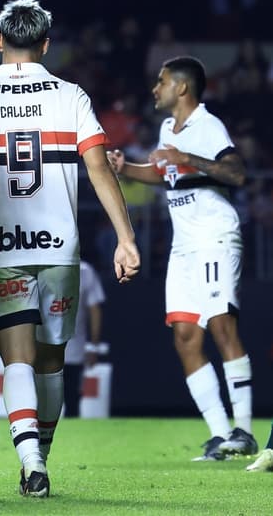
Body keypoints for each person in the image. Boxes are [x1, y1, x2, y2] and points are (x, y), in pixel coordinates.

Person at [0, 0, 140, 498]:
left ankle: (30, 461)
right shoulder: (70, 96)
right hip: (59, 248)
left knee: (17, 361)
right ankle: (38, 463)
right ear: (45, 44)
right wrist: (126, 239)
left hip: (2, 249)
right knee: (52, 361)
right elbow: (99, 168)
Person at [108, 56, 257, 461]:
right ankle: (220, 436)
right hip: (184, 245)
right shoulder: (166, 128)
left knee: (223, 327)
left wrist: (188, 158)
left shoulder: (206, 125)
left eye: (161, 81)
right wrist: (126, 169)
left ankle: (244, 430)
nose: (155, 88)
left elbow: (237, 172)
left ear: (182, 88)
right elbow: (164, 174)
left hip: (214, 237)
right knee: (185, 336)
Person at [62, 260, 106, 417]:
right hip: (41, 348)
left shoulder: (85, 271)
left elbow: (95, 310)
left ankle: (70, 438)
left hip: (73, 350)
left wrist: (93, 346)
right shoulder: (39, 266)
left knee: (72, 400)